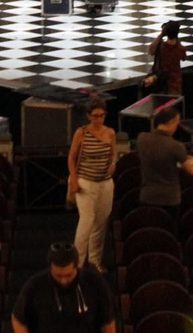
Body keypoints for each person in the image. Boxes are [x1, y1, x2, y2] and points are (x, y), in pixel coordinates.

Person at [11, 242, 117, 333]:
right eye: (58, 276)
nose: (64, 280)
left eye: (68, 275)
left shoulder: (94, 282)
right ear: (51, 268)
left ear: (77, 267)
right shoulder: (35, 285)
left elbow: (108, 323)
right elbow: (18, 319)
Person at [67, 99, 116, 272]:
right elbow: (72, 158)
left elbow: (113, 154)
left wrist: (112, 164)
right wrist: (73, 179)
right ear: (88, 116)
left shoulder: (110, 133)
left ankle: (95, 262)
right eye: (95, 116)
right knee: (86, 222)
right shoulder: (81, 133)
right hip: (85, 182)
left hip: (105, 183)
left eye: (102, 115)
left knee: (101, 223)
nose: (99, 119)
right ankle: (78, 263)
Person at [136, 105, 193, 221]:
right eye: (177, 123)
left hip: (147, 197)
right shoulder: (176, 146)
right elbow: (190, 171)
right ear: (171, 122)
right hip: (169, 200)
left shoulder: (141, 138)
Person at [145, 20, 187, 96]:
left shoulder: (161, 47)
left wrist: (161, 34)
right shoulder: (181, 49)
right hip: (175, 83)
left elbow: (151, 50)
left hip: (160, 82)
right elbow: (184, 58)